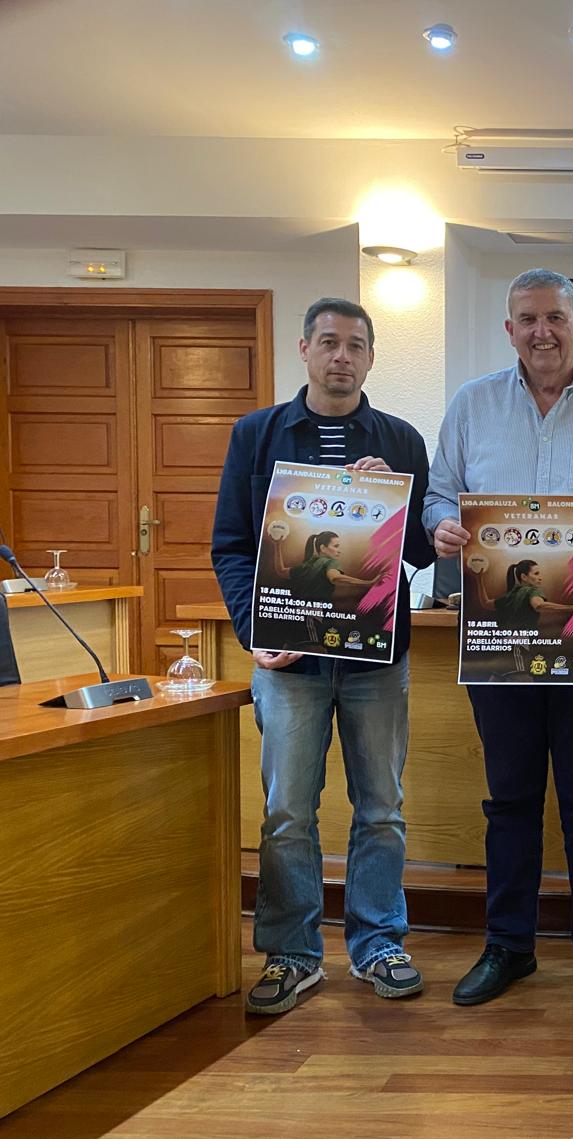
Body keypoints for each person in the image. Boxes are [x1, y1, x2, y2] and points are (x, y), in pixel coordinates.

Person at [425, 268, 573, 1011]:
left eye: (556, 318)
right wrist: (443, 525)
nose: (542, 332)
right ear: (509, 330)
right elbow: (439, 491)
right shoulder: (472, 405)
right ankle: (509, 945)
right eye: (527, 319)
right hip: (496, 622)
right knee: (510, 796)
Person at [212, 297, 435, 1014]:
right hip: (290, 664)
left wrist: (390, 501)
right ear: (305, 349)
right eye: (330, 342)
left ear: (371, 358)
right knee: (286, 812)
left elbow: (422, 552)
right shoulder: (256, 435)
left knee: (382, 808)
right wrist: (256, 630)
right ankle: (293, 953)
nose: (343, 356)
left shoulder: (400, 440)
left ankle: (379, 943)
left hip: (377, 660)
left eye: (356, 345)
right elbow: (232, 545)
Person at [279, 531, 376, 603]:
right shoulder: (330, 562)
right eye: (336, 546)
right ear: (323, 548)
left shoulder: (307, 565)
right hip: (316, 615)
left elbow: (281, 571)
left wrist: (277, 545)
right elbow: (335, 578)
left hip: (298, 613)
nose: (339, 551)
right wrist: (368, 583)